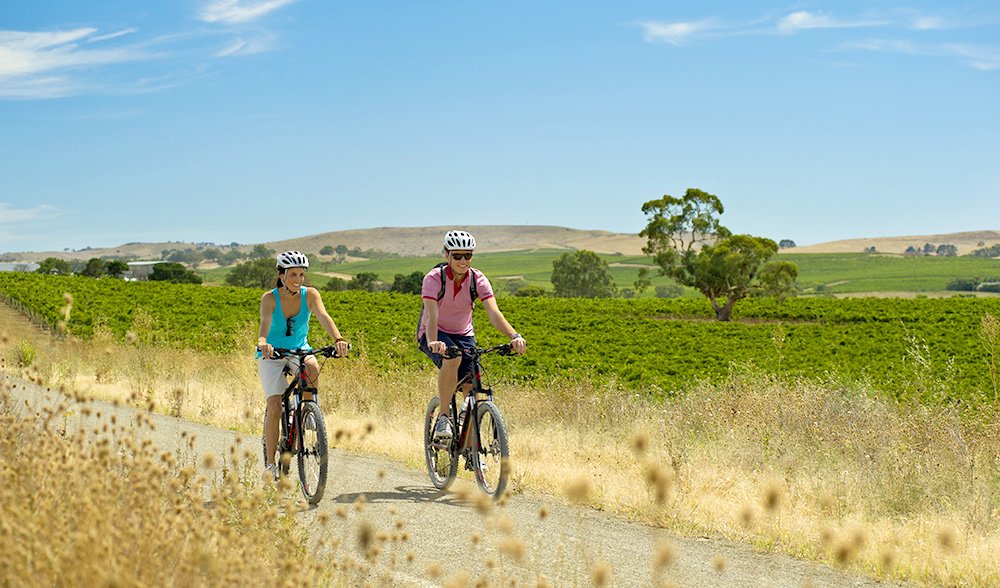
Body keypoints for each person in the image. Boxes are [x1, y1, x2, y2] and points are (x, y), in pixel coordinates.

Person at [417, 230, 527, 441]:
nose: (463, 260)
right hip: (434, 332)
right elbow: (431, 315)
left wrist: (514, 336)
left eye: (467, 255)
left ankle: (472, 454)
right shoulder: (433, 279)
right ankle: (443, 417)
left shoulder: (478, 279)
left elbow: (494, 313)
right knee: (453, 358)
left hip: (464, 333)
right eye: (457, 256)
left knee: (472, 388)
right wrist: (433, 341)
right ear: (447, 255)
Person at [257, 250, 349, 481]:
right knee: (275, 405)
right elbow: (265, 324)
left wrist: (338, 340)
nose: (298, 279)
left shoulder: (310, 295)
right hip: (273, 353)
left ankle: (308, 411)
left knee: (312, 367)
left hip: (300, 349)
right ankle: (270, 465)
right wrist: (263, 343)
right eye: (292, 275)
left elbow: (323, 316)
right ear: (281, 275)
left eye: (301, 274)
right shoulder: (269, 298)